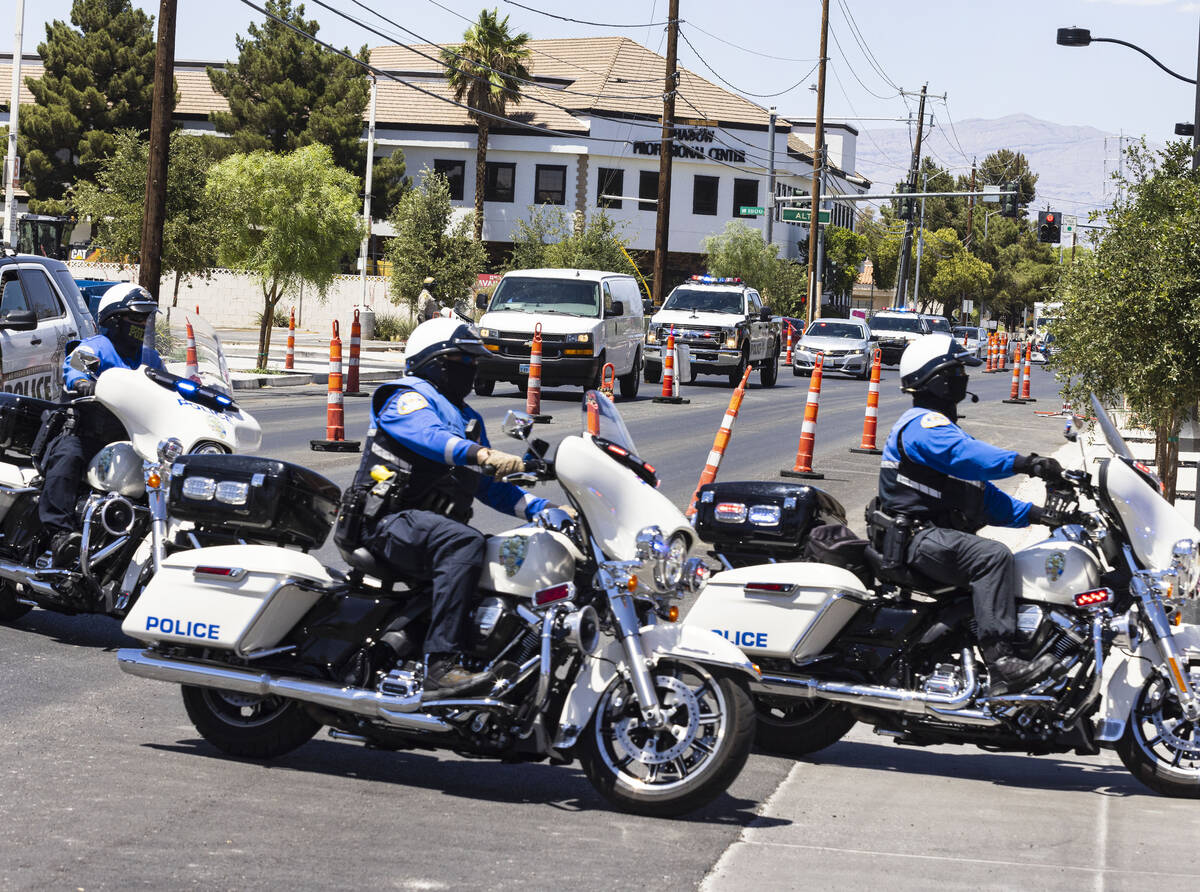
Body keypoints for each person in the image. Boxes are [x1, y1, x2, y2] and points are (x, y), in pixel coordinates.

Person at [350, 317, 570, 698]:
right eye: (463, 360)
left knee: (504, 557)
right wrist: (483, 453)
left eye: (473, 362)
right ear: (435, 361)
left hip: (429, 529)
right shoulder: (405, 395)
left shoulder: (468, 418)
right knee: (464, 543)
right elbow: (430, 438)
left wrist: (545, 510)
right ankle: (440, 665)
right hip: (386, 522)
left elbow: (489, 487)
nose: (471, 369)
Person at [875, 333, 1063, 693]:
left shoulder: (940, 427)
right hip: (918, 538)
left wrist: (1040, 516)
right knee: (992, 557)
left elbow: (981, 497)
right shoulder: (922, 426)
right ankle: (1002, 661)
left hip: (931, 536)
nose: (964, 377)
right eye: (958, 369)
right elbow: (970, 457)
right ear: (938, 378)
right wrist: (1028, 463)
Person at [38, 283, 164, 567]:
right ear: (115, 319)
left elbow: (169, 386)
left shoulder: (149, 357)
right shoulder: (97, 347)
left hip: (135, 439)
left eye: (146, 318)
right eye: (136, 317)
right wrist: (83, 383)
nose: (143, 324)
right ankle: (59, 534)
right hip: (89, 433)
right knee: (67, 459)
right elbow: (76, 367)